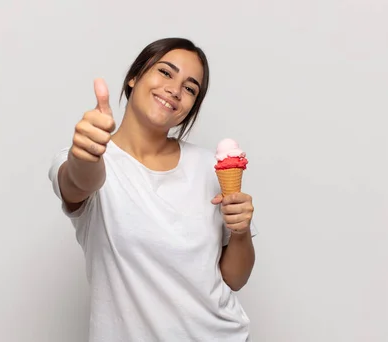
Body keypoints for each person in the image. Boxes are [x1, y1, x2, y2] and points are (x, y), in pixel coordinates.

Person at [48, 37, 258, 341]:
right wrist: (85, 154)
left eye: (190, 88)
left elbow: (235, 279)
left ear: (190, 108)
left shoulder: (208, 167)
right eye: (165, 72)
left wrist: (241, 231)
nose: (174, 90)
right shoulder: (90, 160)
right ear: (134, 77)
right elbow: (80, 181)